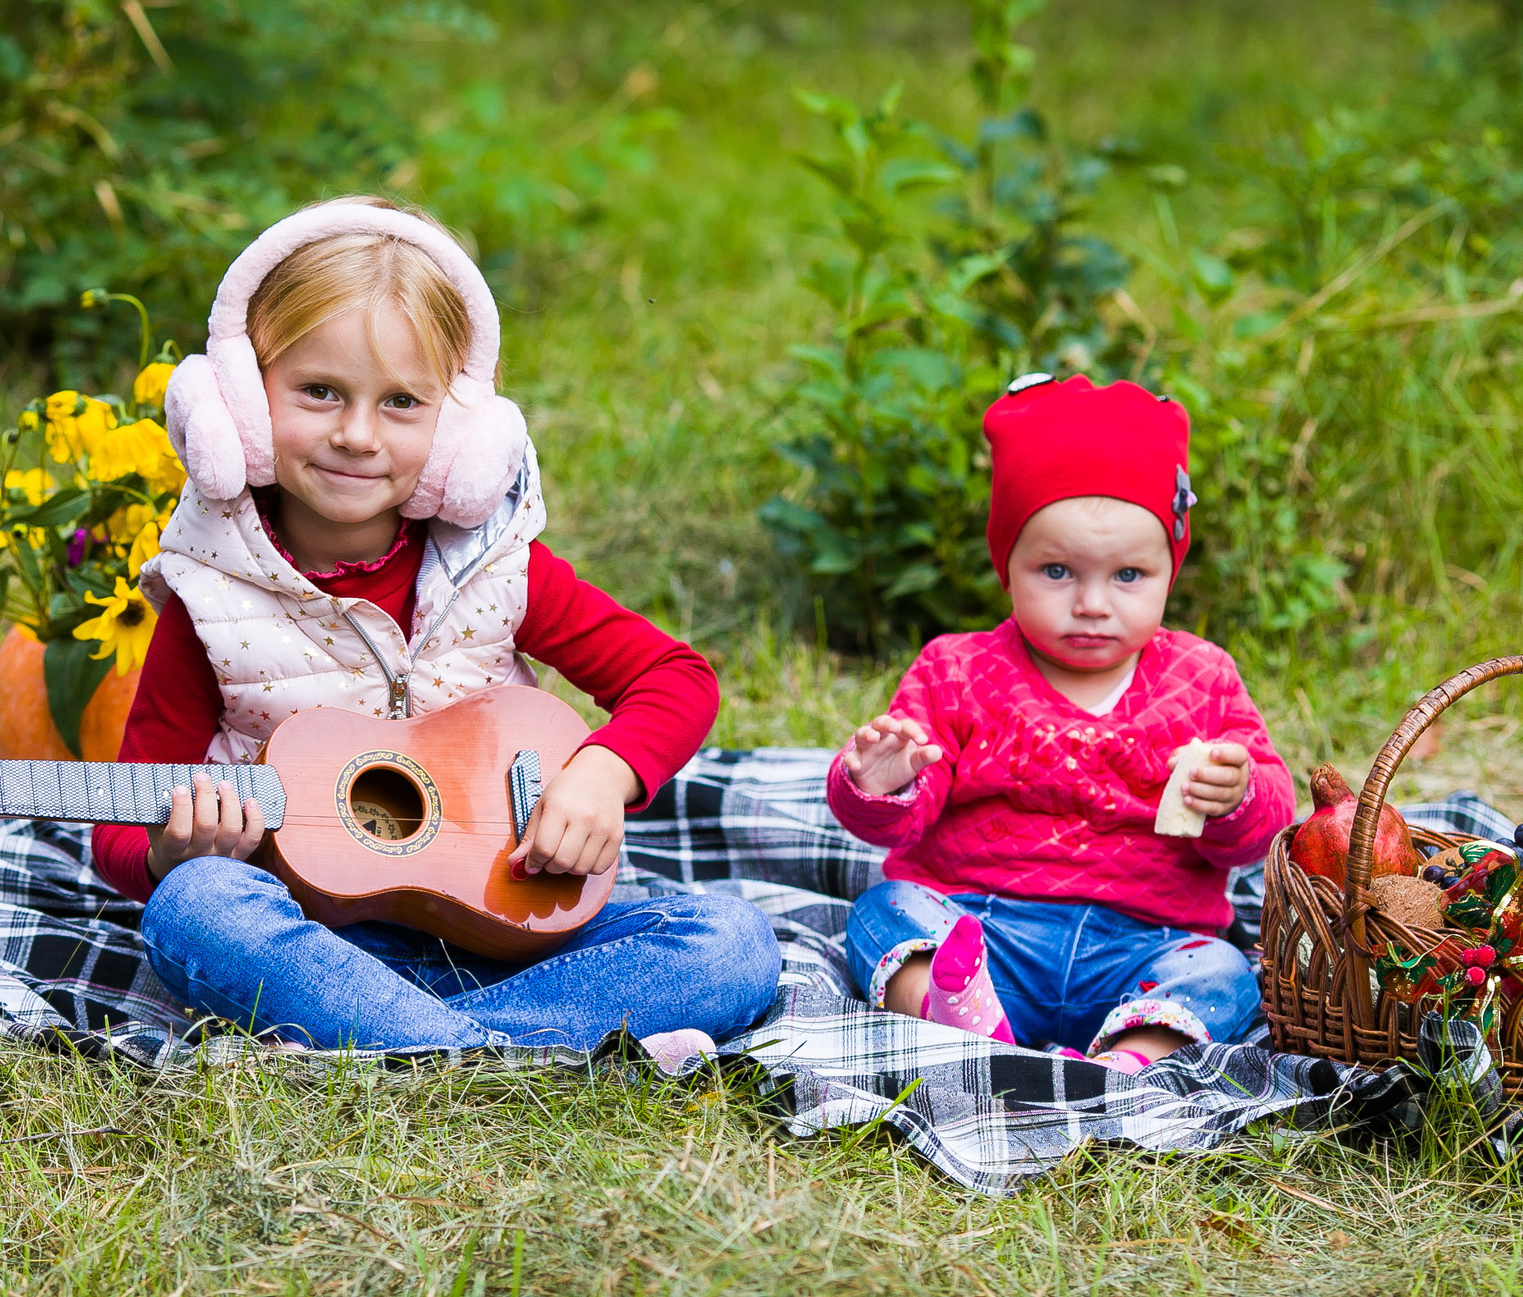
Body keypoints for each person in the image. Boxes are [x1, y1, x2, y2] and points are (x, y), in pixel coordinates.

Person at [95, 197, 780, 1061]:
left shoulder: (500, 573)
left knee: (733, 942)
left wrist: (603, 776)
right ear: (239, 402)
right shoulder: (212, 601)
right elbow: (114, 830)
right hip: (315, 946)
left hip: (513, 935)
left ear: (461, 433)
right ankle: (506, 1053)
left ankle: (426, 1050)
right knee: (194, 911)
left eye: (401, 403)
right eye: (318, 390)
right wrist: (168, 849)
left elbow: (677, 677)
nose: (355, 434)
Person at [831, 374, 1292, 1071]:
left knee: (1223, 971)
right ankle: (966, 1017)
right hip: (982, 930)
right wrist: (881, 784)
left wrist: (1238, 797)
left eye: (1129, 575)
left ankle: (1127, 1060)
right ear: (1006, 568)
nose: (1092, 603)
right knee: (882, 911)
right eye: (1056, 570)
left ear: (1171, 569)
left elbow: (1257, 833)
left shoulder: (1202, 678)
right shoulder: (957, 669)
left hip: (1143, 945)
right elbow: (899, 823)